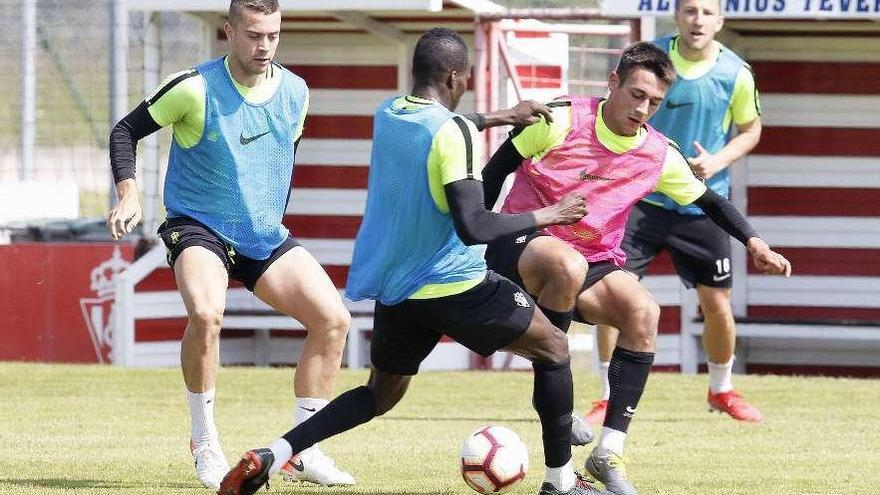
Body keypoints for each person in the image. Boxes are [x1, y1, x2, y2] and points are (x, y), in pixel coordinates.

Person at [216, 27, 610, 495]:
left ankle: (272, 455)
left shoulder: (389, 113)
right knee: (555, 349)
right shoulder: (455, 132)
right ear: (453, 77)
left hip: (399, 291)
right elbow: (474, 227)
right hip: (455, 286)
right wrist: (551, 213)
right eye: (463, 80)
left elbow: (441, 126)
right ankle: (561, 482)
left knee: (378, 395)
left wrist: (501, 116)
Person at [480, 42, 791, 495]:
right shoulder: (561, 120)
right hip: (520, 244)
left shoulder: (657, 153)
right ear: (613, 84)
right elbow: (494, 173)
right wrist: (474, 239)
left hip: (588, 261)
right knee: (565, 264)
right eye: (637, 95)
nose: (643, 109)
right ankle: (557, 402)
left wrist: (754, 241)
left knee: (644, 311)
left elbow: (709, 200)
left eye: (655, 102)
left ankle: (608, 454)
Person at [106, 0, 357, 488]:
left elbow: (283, 158)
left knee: (333, 320)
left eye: (273, 36)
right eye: (254, 35)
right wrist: (129, 191)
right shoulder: (193, 87)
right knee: (206, 313)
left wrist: (270, 219)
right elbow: (126, 131)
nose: (265, 46)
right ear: (229, 32)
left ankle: (302, 451)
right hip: (198, 226)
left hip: (262, 234)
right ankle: (204, 440)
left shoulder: (297, 92)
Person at [590, 0, 766, 426]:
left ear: (720, 21)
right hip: (642, 202)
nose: (698, 20)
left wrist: (719, 160)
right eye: (690, 11)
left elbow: (751, 129)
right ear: (677, 17)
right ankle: (606, 396)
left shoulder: (736, 73)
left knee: (717, 305)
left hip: (702, 203)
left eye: (707, 12)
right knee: (612, 295)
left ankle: (721, 390)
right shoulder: (652, 61)